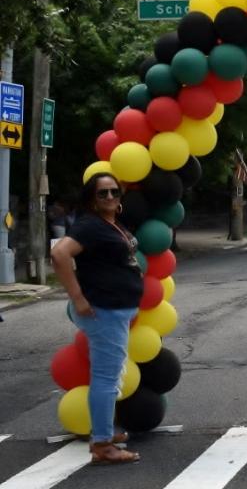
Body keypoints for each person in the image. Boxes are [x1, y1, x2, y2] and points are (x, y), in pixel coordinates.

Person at [51, 173, 142, 465]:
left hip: (116, 309)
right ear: (92, 198)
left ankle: (103, 433)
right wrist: (77, 297)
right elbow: (59, 254)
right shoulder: (90, 226)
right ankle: (102, 445)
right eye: (102, 193)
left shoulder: (110, 223)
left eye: (114, 191)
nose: (110, 197)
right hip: (104, 310)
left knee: (110, 376)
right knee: (105, 378)